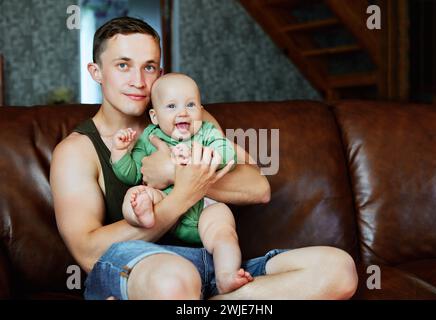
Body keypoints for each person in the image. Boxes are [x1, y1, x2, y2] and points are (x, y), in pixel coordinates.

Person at [50, 16, 358, 300]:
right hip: (141, 268)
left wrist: (174, 171)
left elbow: (257, 188)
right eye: (122, 66)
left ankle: (208, 302)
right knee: (175, 280)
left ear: (160, 72)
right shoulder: (76, 151)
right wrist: (184, 193)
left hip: (212, 266)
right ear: (96, 72)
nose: (138, 81)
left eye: (148, 67)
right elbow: (89, 252)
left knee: (338, 270)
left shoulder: (187, 117)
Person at [111, 72, 253, 294]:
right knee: (136, 194)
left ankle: (226, 276)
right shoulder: (149, 138)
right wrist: (119, 153)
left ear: (200, 109)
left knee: (225, 233)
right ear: (154, 116)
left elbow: (228, 154)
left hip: (207, 206)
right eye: (171, 106)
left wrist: (203, 156)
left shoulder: (207, 132)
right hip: (167, 202)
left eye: (190, 104)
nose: (183, 112)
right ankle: (142, 214)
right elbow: (131, 174)